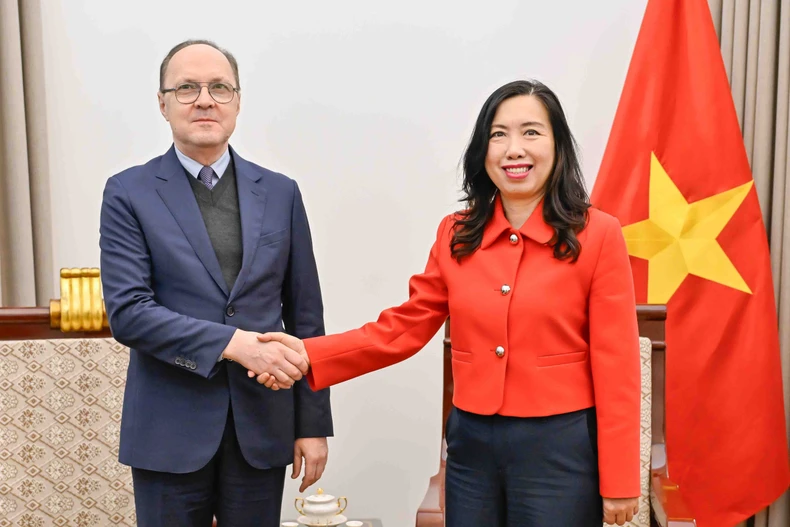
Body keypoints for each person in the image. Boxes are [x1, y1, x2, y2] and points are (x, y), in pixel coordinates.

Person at [255, 80, 641, 526]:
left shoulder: (599, 234)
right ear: (483, 150)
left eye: (532, 132)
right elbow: (404, 327)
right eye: (499, 135)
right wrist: (305, 354)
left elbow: (618, 366)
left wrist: (619, 481)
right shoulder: (456, 233)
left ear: (558, 146)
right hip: (471, 447)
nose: (514, 148)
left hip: (559, 448)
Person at [99, 40, 333, 527]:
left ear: (238, 101)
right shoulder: (128, 192)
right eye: (187, 88)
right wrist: (235, 344)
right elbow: (130, 313)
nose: (205, 100)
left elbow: (306, 316)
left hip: (262, 429)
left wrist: (312, 424)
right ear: (162, 103)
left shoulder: (280, 192)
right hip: (169, 431)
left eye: (219, 88)